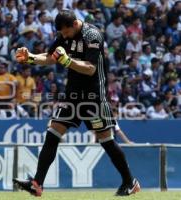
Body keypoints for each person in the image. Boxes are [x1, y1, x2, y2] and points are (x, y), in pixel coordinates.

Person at [13, 10, 140, 197]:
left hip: (93, 96)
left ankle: (130, 182)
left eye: (65, 32)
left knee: (106, 141)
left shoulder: (92, 35)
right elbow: (50, 57)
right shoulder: (64, 34)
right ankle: (37, 183)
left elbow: (90, 69)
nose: (63, 36)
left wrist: (66, 60)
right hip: (72, 95)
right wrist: (31, 57)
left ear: (74, 24)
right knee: (52, 133)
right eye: (61, 33)